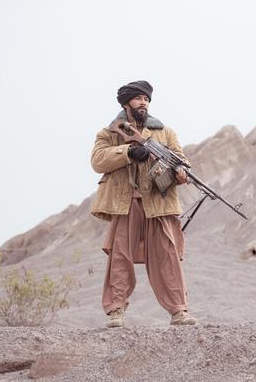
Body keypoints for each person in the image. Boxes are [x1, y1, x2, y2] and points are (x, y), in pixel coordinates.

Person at [90, 80, 197, 327]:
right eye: (138, 98)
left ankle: (179, 311)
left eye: (146, 99)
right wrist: (127, 152)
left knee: (167, 256)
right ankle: (115, 311)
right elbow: (97, 161)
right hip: (125, 203)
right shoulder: (109, 133)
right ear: (126, 103)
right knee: (120, 257)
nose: (143, 103)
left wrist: (181, 171)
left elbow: (181, 160)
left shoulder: (165, 133)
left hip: (158, 204)